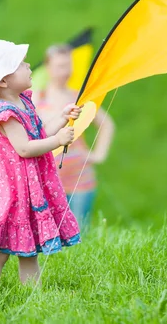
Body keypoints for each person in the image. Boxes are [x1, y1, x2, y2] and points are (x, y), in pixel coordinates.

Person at [0, 39, 82, 288]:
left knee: (28, 250)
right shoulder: (5, 113)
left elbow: (39, 134)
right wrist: (58, 141)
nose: (29, 65)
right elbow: (26, 148)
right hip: (13, 193)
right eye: (20, 64)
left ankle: (33, 297)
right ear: (3, 80)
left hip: (29, 191)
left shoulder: (24, 102)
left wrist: (61, 118)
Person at [36, 44, 115, 229]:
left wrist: (99, 154)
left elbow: (107, 124)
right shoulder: (37, 98)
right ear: (48, 68)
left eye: (68, 65)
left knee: (79, 229)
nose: (66, 71)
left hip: (80, 175)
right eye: (60, 66)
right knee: (49, 228)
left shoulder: (78, 97)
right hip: (48, 174)